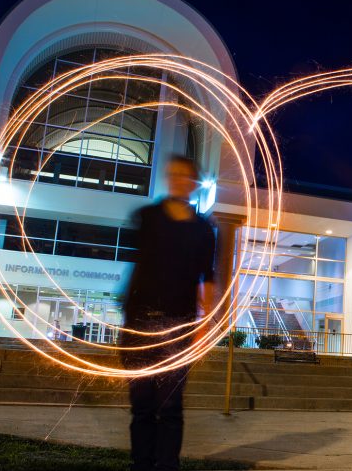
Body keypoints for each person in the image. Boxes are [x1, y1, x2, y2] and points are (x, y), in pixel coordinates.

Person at [120, 155, 216, 471]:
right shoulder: (147, 217)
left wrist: (203, 328)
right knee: (142, 405)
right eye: (172, 173)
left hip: (180, 325)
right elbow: (137, 264)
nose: (177, 179)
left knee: (171, 406)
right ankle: (141, 464)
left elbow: (208, 279)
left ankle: (167, 466)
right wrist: (126, 313)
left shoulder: (203, 230)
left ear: (193, 183)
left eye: (184, 175)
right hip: (139, 322)